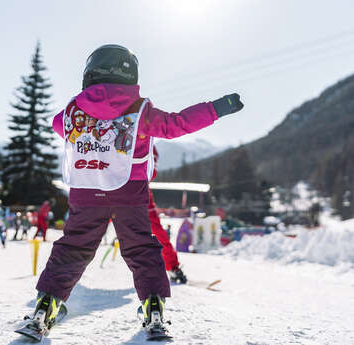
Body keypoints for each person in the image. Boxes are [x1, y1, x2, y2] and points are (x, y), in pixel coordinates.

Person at [28, 44, 243, 334]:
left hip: (87, 190)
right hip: (129, 192)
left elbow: (58, 125)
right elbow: (175, 125)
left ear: (90, 74)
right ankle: (153, 307)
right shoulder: (140, 112)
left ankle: (47, 305)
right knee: (142, 248)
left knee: (73, 248)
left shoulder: (72, 112)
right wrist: (215, 109)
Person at [148, 146, 188, 284]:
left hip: (139, 192)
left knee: (158, 232)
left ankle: (173, 267)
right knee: (91, 225)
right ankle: (76, 261)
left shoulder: (146, 136)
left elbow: (151, 171)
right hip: (109, 189)